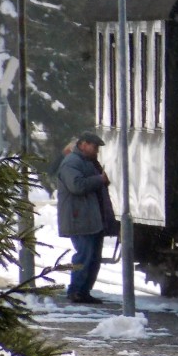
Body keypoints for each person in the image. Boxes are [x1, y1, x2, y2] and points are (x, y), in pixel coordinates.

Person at [57, 131, 114, 305]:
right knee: (84, 255)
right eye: (94, 147)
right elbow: (76, 186)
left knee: (93, 257)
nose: (97, 151)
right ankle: (75, 291)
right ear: (83, 144)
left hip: (91, 219)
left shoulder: (87, 162)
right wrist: (99, 179)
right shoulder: (72, 162)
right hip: (79, 218)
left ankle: (83, 291)